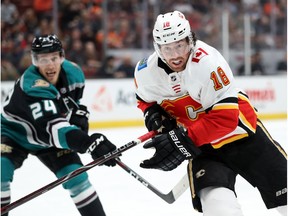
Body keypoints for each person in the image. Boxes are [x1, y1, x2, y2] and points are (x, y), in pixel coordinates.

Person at [134, 11, 287, 216]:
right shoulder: (146, 73)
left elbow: (226, 120)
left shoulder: (207, 63)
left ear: (190, 39)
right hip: (203, 149)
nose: (175, 55)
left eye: (180, 45)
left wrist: (181, 141)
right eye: (167, 48)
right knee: (219, 209)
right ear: (157, 48)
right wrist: (154, 117)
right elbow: (145, 101)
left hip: (243, 138)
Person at [1, 34, 117, 216]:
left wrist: (76, 114)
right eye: (43, 59)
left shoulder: (75, 74)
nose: (50, 64)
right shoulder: (32, 85)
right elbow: (53, 128)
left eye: (54, 58)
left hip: (48, 137)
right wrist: (89, 143)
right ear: (34, 61)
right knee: (0, 171)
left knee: (77, 178)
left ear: (62, 57)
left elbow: (66, 108)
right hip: (15, 133)